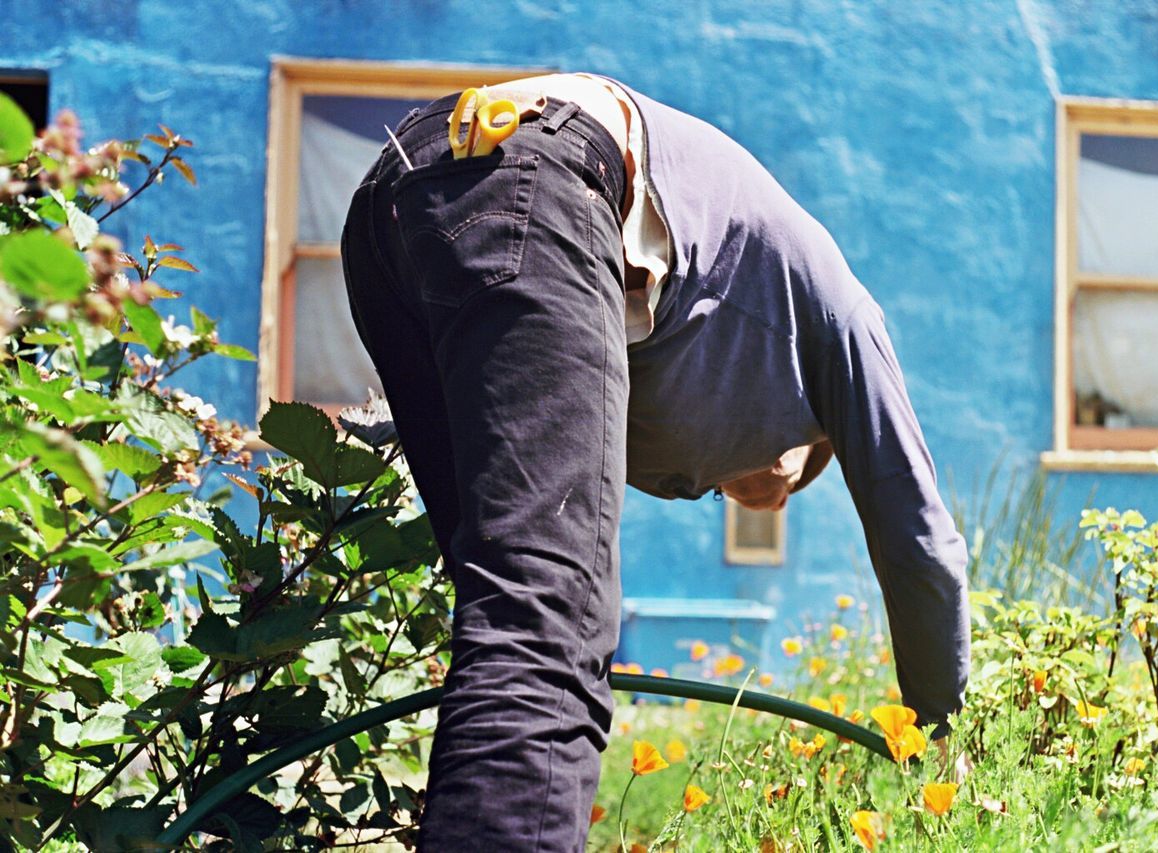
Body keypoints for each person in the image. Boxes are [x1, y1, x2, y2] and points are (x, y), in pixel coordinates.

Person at [341, 73, 969, 852]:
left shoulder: (703, 328)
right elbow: (922, 545)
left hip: (395, 200)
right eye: (740, 483)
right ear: (792, 443)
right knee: (546, 624)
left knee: (502, 609)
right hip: (543, 171)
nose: (696, 490)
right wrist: (942, 742)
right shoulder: (842, 318)